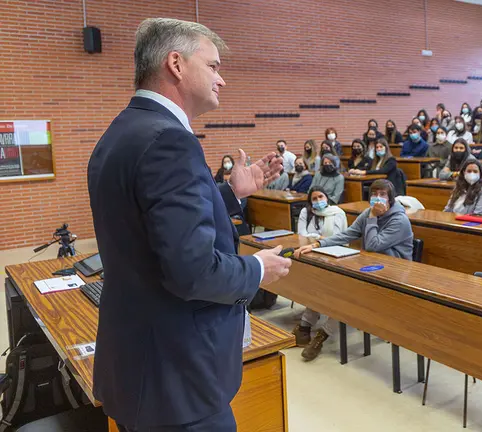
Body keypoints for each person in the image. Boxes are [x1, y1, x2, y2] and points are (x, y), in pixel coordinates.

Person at [87, 18, 292, 431]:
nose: (222, 80)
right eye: (214, 66)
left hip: (139, 366)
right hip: (177, 380)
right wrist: (257, 269)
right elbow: (192, 271)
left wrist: (231, 194)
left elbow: (152, 226)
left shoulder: (123, 130)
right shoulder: (171, 140)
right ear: (176, 64)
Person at [294, 180, 413, 357]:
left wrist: (372, 217)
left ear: (391, 199)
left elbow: (373, 244)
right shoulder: (368, 214)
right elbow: (348, 234)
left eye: (382, 195)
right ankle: (305, 326)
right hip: (370, 266)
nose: (377, 198)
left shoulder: (399, 220)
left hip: (393, 272)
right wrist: (318, 244)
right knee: (326, 281)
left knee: (347, 293)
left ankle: (323, 335)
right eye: (374, 194)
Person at [292, 187, 348, 360]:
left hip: (336, 258)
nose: (317, 201)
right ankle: (305, 326)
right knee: (316, 290)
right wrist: (318, 239)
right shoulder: (307, 212)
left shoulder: (337, 212)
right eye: (314, 198)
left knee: (340, 299)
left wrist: (316, 239)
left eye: (320, 197)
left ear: (327, 197)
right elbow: (301, 235)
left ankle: (321, 335)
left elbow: (337, 237)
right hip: (313, 255)